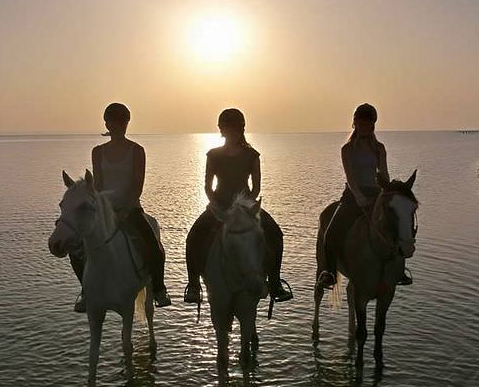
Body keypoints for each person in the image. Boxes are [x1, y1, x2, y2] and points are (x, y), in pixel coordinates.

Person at [183, 108, 293, 304]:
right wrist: (215, 204)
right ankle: (193, 285)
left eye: (233, 127)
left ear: (241, 129)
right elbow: (207, 186)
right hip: (219, 206)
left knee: (275, 233)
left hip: (245, 207)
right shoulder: (213, 155)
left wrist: (245, 206)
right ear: (221, 129)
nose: (229, 131)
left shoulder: (251, 155)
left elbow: (256, 187)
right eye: (226, 127)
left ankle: (275, 282)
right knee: (193, 236)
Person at [69, 103, 171, 312]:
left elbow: (137, 184)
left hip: (131, 209)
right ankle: (86, 291)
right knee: (76, 247)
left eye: (122, 121)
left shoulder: (136, 150)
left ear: (127, 123)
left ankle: (159, 289)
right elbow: (99, 184)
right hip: (106, 211)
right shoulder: (98, 152)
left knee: (154, 248)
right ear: (107, 123)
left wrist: (125, 209)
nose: (117, 125)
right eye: (113, 121)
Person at [317, 103, 412, 288]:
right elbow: (350, 176)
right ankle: (329, 272)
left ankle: (399, 270)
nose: (364, 127)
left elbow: (384, 174)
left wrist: (388, 190)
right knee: (331, 232)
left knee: (398, 224)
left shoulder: (379, 148)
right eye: (360, 123)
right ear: (355, 124)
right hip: (352, 196)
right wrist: (359, 196)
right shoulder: (347, 149)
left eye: (367, 124)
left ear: (373, 126)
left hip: (377, 194)